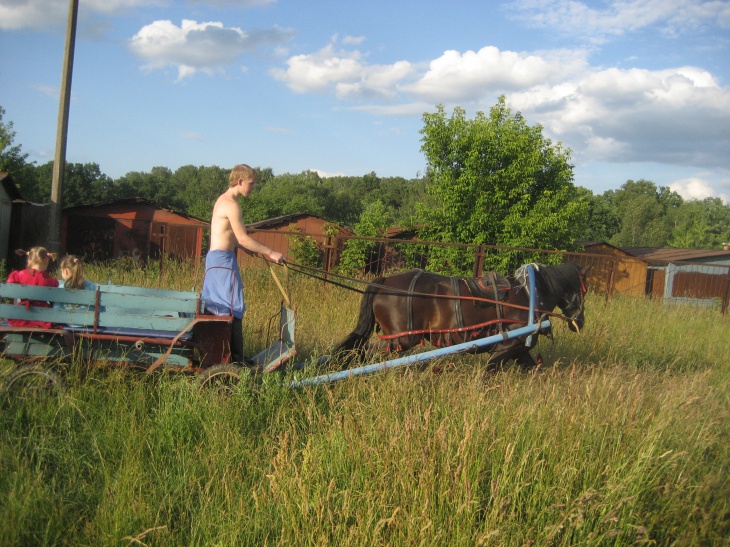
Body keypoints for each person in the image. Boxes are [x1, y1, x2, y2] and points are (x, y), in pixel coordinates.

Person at [201, 164, 285, 366]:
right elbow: (243, 238)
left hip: (217, 260)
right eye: (251, 184)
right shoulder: (231, 205)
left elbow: (233, 237)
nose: (253, 188)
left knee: (219, 308)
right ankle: (236, 360)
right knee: (232, 307)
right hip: (223, 261)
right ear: (240, 182)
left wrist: (249, 250)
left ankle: (224, 356)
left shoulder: (223, 200)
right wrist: (271, 252)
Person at [6, 247, 59, 328]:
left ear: (28, 260)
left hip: (22, 316)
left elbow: (9, 287)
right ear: (46, 261)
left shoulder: (18, 276)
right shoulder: (51, 281)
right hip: (42, 317)